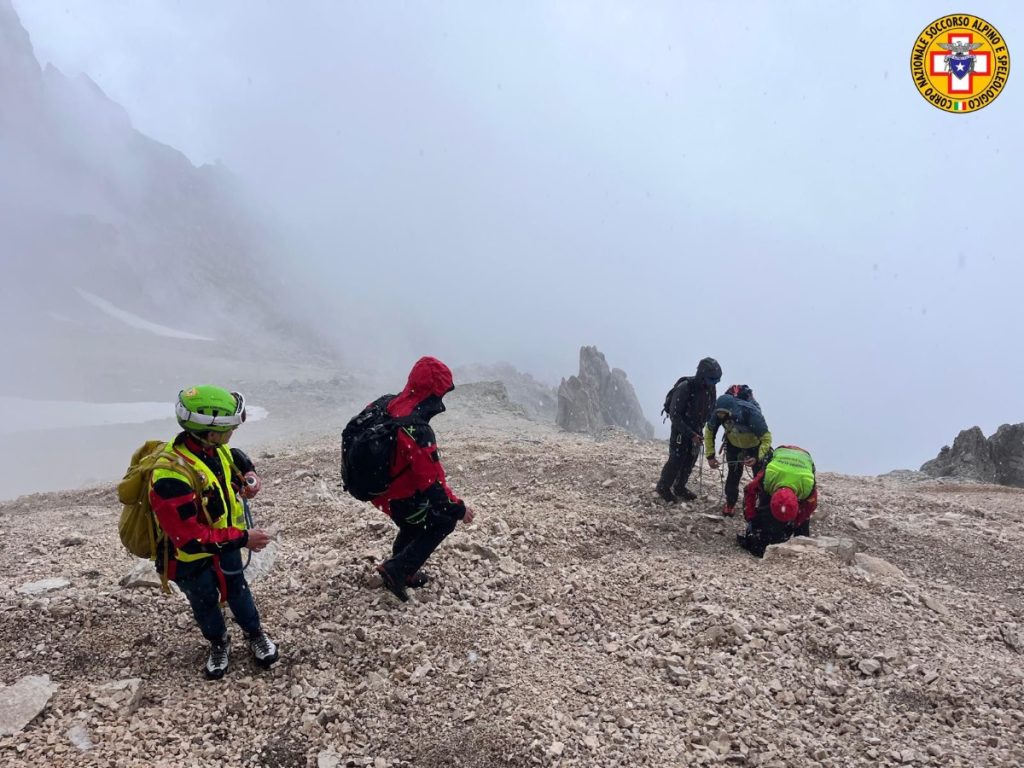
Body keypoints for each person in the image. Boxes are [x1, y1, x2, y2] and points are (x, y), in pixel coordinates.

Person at [149, 385, 278, 679]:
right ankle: (218, 643)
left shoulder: (211, 449)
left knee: (238, 590)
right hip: (188, 557)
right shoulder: (170, 478)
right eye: (230, 426)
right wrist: (245, 538)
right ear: (210, 433)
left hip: (224, 543)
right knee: (204, 599)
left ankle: (254, 632)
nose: (234, 430)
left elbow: (234, 459)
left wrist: (249, 475)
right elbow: (191, 539)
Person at [371, 356, 474, 603]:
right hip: (396, 495)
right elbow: (433, 486)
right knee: (443, 520)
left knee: (415, 519)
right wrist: (460, 509)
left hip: (378, 489)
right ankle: (397, 570)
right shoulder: (416, 429)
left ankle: (403, 569)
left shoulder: (387, 403)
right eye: (441, 394)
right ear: (432, 393)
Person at [655, 357, 721, 502]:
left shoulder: (710, 388)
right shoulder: (685, 387)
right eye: (712, 380)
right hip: (681, 430)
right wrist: (690, 434)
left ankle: (679, 487)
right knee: (676, 459)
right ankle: (663, 487)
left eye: (717, 381)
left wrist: (705, 425)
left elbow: (711, 406)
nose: (714, 384)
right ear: (702, 375)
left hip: (697, 429)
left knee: (691, 459)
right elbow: (674, 415)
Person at [737, 445, 818, 557]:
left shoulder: (807, 488)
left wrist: (797, 522)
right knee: (763, 505)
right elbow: (749, 490)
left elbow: (809, 508)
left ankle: (801, 548)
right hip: (781, 457)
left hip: (804, 459)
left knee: (803, 521)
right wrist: (750, 516)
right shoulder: (767, 478)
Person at [704, 393, 772, 516]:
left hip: (754, 447)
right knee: (733, 476)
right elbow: (709, 431)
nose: (720, 416)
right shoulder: (718, 414)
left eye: (722, 414)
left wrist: (757, 457)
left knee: (760, 478)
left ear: (730, 411)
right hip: (733, 445)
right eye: (718, 413)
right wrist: (710, 456)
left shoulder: (751, 414)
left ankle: (762, 507)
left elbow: (766, 438)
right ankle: (730, 503)